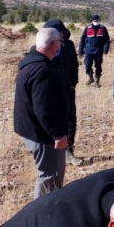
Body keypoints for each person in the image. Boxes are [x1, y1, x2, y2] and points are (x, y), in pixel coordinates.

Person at [14, 28, 68, 198]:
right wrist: (57, 134)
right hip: (43, 135)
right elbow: (43, 107)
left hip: (32, 130)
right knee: (50, 178)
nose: (61, 45)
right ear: (54, 45)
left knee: (48, 176)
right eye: (60, 42)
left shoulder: (31, 63)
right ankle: (44, 216)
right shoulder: (42, 70)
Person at [43, 19, 82, 166]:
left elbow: (74, 65)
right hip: (51, 91)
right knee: (53, 120)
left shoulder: (69, 45)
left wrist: (73, 83)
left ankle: (68, 151)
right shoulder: (45, 47)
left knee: (70, 120)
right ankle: (52, 153)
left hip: (67, 89)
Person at [78, 14, 110, 87]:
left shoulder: (103, 28)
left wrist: (106, 49)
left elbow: (107, 39)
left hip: (99, 51)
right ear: (92, 21)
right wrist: (80, 51)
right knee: (87, 65)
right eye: (95, 20)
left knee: (98, 66)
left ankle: (97, 81)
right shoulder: (87, 28)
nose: (96, 21)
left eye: (97, 20)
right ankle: (90, 77)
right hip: (88, 50)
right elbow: (82, 39)